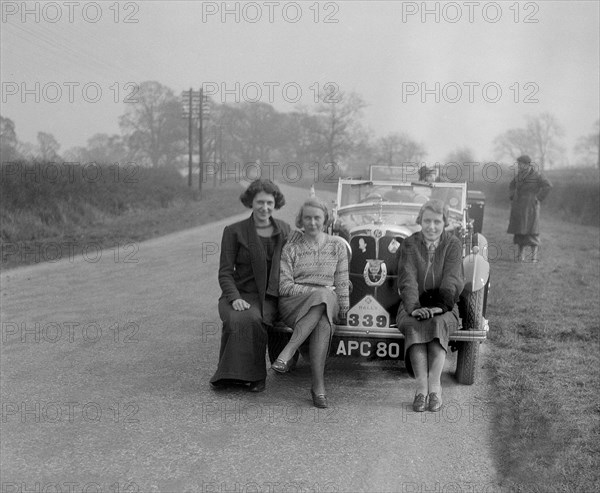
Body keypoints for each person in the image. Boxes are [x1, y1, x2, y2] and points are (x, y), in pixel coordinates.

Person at [210, 179, 291, 393]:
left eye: (269, 203)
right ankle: (229, 375)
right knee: (237, 317)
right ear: (251, 202)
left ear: (276, 204)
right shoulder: (233, 231)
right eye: (260, 202)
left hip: (270, 296)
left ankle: (255, 377)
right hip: (239, 294)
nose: (265, 208)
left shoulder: (284, 230)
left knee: (255, 318)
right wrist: (234, 297)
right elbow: (225, 272)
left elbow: (292, 264)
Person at [271, 197, 350, 409]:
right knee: (323, 306)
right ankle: (318, 387)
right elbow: (285, 287)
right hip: (294, 304)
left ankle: (288, 352)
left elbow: (342, 282)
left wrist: (343, 310)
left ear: (325, 219)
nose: (312, 222)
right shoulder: (291, 248)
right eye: (307, 218)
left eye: (317, 218)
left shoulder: (337, 246)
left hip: (328, 301)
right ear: (301, 219)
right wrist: (319, 292)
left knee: (325, 308)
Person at [396, 199, 464, 412]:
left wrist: (441, 306)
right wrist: (414, 306)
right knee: (415, 324)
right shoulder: (409, 244)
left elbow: (452, 278)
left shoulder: (453, 244)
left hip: (445, 304)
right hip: (412, 303)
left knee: (437, 324)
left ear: (445, 222)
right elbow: (407, 278)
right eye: (427, 221)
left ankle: (435, 387)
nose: (431, 227)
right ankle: (421, 388)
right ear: (420, 221)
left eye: (437, 221)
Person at [507, 155, 552, 262]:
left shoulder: (537, 175)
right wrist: (513, 196)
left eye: (520, 164)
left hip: (531, 206)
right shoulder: (519, 175)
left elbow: (548, 185)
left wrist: (538, 198)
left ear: (527, 164)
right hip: (519, 206)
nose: (519, 166)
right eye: (518, 164)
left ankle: (533, 257)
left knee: (532, 232)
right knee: (519, 231)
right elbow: (511, 185)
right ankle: (520, 256)